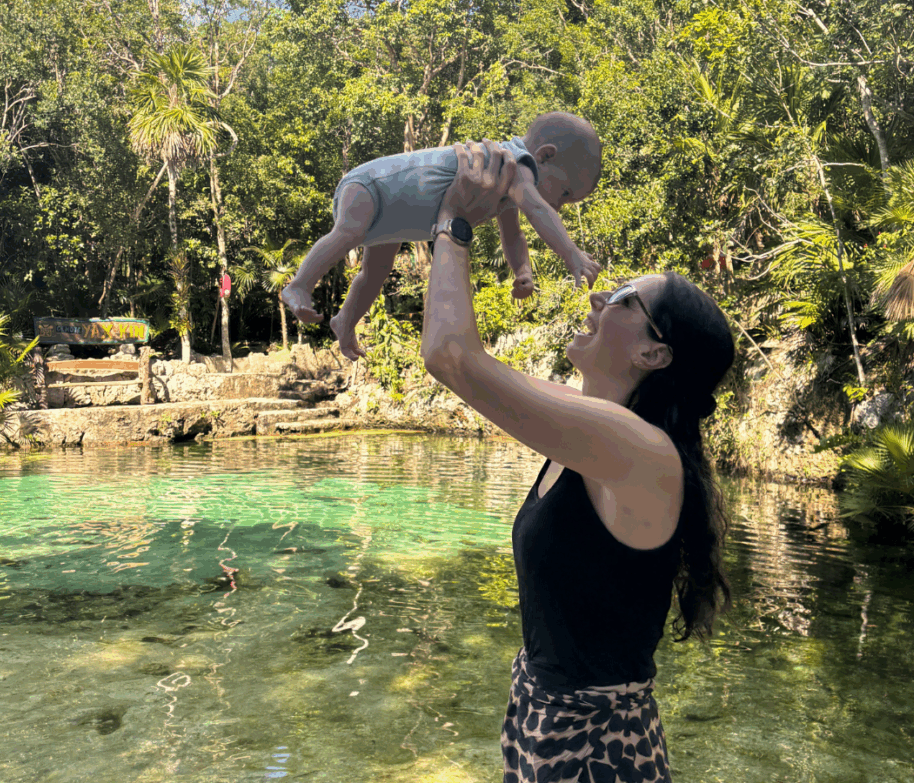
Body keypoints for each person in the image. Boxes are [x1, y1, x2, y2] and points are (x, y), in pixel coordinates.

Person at [421, 139, 734, 783]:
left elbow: (451, 355)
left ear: (655, 354)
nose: (598, 297)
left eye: (623, 297)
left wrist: (453, 221)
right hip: (549, 731)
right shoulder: (593, 435)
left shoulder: (640, 452)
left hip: (595, 754)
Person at [280, 112, 604, 360]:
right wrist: (573, 256)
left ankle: (345, 322)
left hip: (393, 214)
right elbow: (538, 211)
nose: (558, 206)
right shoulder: (515, 163)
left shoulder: (504, 185)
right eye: (564, 192)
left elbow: (514, 235)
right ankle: (299, 285)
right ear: (544, 156)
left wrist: (523, 272)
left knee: (375, 273)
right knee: (348, 232)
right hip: (371, 185)